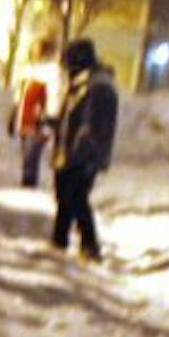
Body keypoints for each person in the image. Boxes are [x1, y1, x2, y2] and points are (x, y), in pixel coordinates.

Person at [51, 38, 118, 259]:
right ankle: (59, 241)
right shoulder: (82, 84)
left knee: (77, 197)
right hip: (71, 152)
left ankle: (89, 245)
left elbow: (92, 126)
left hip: (82, 155)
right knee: (65, 197)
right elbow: (74, 118)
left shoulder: (98, 87)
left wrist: (84, 155)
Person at [13, 40, 61, 188]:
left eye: (37, 49)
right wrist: (14, 114)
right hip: (25, 118)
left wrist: (49, 117)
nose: (34, 52)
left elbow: (54, 95)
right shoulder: (28, 69)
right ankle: (27, 181)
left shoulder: (51, 71)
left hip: (38, 120)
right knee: (26, 153)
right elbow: (20, 96)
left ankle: (29, 183)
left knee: (31, 153)